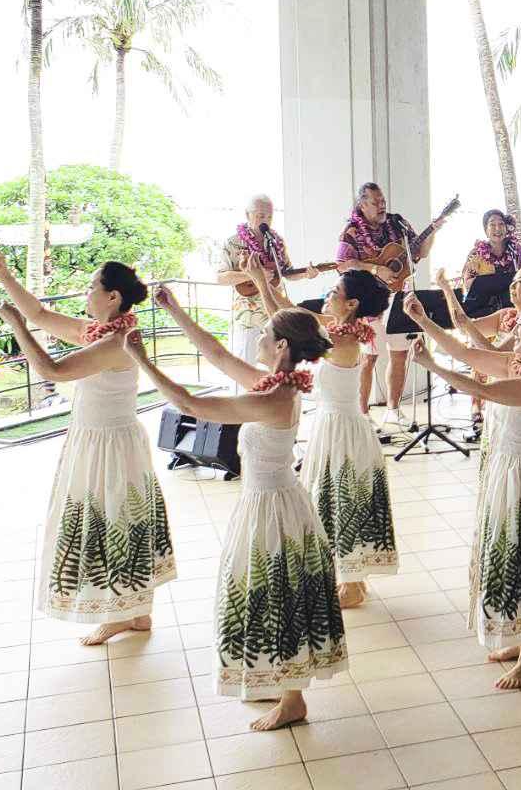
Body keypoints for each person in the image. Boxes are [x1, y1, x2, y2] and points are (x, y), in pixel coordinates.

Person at [126, 294, 345, 731]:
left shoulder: (276, 399)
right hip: (267, 502)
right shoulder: (275, 384)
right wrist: (173, 309)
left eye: (265, 334)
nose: (259, 339)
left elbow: (192, 406)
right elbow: (217, 353)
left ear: (282, 346)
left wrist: (142, 362)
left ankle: (293, 698)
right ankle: (281, 679)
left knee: (276, 593)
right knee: (265, 592)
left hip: (274, 507)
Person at [0, 247, 175, 646]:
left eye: (92, 286)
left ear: (113, 298)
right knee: (114, 519)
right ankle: (135, 615)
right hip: (98, 438)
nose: (85, 292)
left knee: (112, 523)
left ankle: (123, 613)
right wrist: (4, 274)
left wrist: (17, 327)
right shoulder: (98, 332)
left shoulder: (116, 342)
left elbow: (52, 370)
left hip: (110, 444)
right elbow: (40, 314)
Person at [404, 294, 521, 689]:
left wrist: (430, 365)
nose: (513, 329)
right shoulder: (516, 363)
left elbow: (480, 389)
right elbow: (467, 353)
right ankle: (518, 639)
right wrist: (423, 322)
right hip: (506, 469)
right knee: (506, 553)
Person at [245, 259, 396, 610]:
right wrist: (259, 282)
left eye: (334, 291)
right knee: (331, 499)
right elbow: (287, 317)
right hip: (333, 425)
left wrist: (261, 282)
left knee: (345, 500)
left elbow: (287, 321)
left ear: (352, 304)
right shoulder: (338, 329)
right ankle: (349, 576)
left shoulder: (343, 339)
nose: (327, 296)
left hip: (344, 429)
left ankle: (354, 582)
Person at [333, 183, 440, 428]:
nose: (382, 206)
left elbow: (419, 251)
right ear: (362, 204)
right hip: (369, 299)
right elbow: (341, 263)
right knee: (368, 358)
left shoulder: (397, 223)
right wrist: (373, 268)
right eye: (375, 202)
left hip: (399, 294)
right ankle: (363, 413)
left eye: (383, 201)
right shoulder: (351, 231)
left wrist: (433, 231)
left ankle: (393, 409)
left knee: (400, 353)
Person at [436, 260, 521, 442]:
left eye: (520, 282)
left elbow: (494, 354)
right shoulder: (506, 314)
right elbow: (463, 326)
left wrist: (468, 326)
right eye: (513, 280)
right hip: (497, 397)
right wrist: (447, 290)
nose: (512, 286)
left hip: (517, 401)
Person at [216, 195, 320, 370]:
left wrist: (306, 274)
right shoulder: (232, 243)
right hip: (246, 317)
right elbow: (220, 278)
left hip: (274, 314)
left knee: (274, 370)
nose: (266, 221)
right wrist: (253, 275)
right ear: (247, 214)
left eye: (270, 216)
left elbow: (286, 273)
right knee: (244, 369)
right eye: (261, 216)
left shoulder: (275, 241)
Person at [460, 209, 521, 290]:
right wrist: (488, 282)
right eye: (492, 225)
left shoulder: (515, 248)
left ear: (506, 228)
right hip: (485, 298)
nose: (497, 228)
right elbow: (466, 282)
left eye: (501, 224)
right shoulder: (476, 253)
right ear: (486, 231)